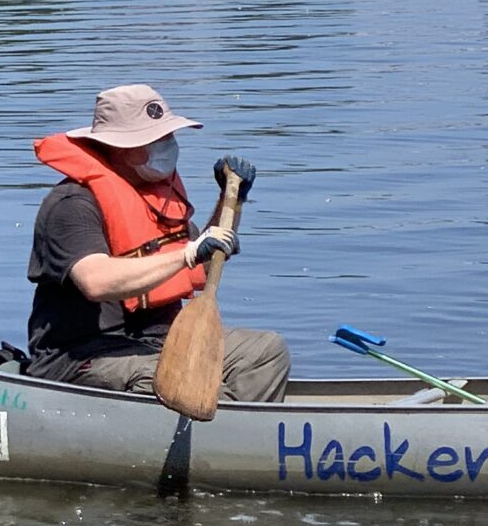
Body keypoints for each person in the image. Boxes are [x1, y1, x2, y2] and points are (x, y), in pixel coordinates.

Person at [26, 84, 291, 402]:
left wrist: (231, 201)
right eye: (157, 139)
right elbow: (95, 281)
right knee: (181, 381)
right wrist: (187, 254)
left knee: (265, 351)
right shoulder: (72, 204)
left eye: (169, 136)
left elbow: (205, 266)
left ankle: (234, 434)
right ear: (121, 147)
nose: (170, 145)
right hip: (84, 356)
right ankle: (217, 429)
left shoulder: (159, 197)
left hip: (159, 341)